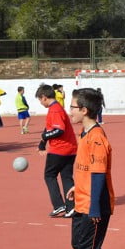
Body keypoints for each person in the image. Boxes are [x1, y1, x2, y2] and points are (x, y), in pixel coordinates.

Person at [58, 88, 125, 249]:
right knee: (79, 246)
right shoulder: (85, 133)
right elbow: (87, 170)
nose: (69, 111)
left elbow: (98, 174)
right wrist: (76, 187)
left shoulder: (97, 138)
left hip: (95, 205)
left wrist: (95, 208)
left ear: (84, 110)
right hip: (82, 199)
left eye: (72, 107)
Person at [36, 84, 78, 218]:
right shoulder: (58, 108)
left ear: (44, 97)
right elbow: (49, 127)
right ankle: (71, 207)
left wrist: (44, 137)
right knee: (66, 177)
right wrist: (42, 143)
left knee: (49, 175)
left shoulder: (54, 110)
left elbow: (59, 130)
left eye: (39, 100)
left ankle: (59, 205)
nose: (40, 103)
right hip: (70, 149)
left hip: (59, 149)